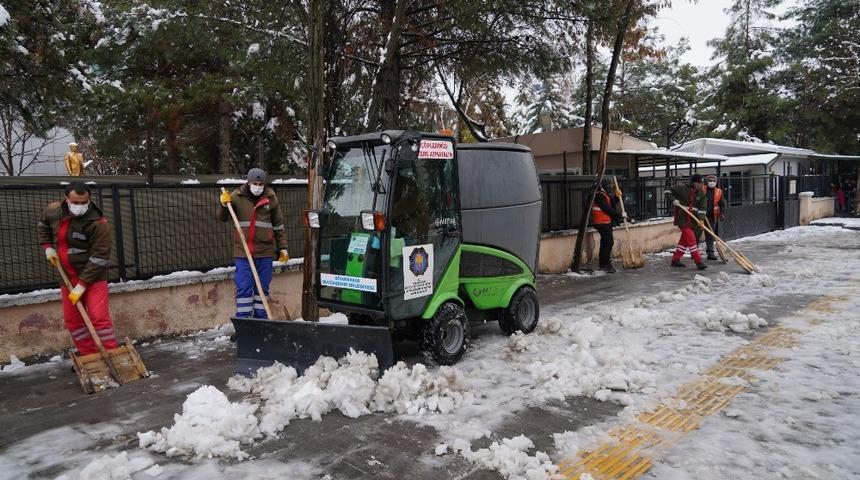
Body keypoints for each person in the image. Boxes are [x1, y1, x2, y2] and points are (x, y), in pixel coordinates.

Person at [37, 181, 118, 355]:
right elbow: (43, 225)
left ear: (89, 199)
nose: (79, 206)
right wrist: (47, 247)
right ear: (66, 199)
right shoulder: (53, 211)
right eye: (75, 202)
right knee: (73, 320)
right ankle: (89, 355)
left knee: (98, 317)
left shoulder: (97, 223)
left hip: (94, 277)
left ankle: (112, 354)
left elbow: (100, 256)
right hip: (67, 276)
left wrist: (82, 285)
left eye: (84, 202)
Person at [218, 168, 289, 319]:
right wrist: (223, 205)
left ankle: (261, 320)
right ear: (248, 183)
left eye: (260, 184)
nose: (257, 187)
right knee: (244, 287)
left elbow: (278, 226)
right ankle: (244, 321)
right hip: (243, 252)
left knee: (262, 289)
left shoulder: (271, 198)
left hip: (265, 252)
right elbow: (222, 218)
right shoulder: (236, 196)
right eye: (254, 183)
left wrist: (283, 248)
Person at [665, 174, 708, 270]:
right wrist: (673, 200)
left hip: (693, 220)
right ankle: (698, 262)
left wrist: (701, 219)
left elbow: (703, 208)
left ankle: (675, 260)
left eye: (702, 183)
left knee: (684, 242)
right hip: (682, 219)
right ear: (694, 183)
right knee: (692, 240)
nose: (702, 185)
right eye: (700, 183)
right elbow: (667, 190)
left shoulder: (701, 194)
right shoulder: (682, 188)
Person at [591, 180, 624, 273]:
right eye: (608, 187)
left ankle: (605, 263)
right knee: (608, 242)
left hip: (606, 222)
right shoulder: (598, 195)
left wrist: (617, 197)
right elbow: (606, 208)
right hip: (601, 222)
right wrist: (620, 215)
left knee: (607, 242)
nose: (610, 189)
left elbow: (611, 204)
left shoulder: (604, 194)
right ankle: (604, 264)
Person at [702, 174, 727, 260]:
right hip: (700, 216)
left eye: (714, 181)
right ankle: (694, 253)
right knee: (696, 235)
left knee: (710, 235)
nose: (712, 182)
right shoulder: (702, 189)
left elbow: (722, 204)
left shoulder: (719, 192)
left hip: (712, 216)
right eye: (710, 181)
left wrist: (722, 213)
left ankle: (710, 253)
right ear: (707, 181)